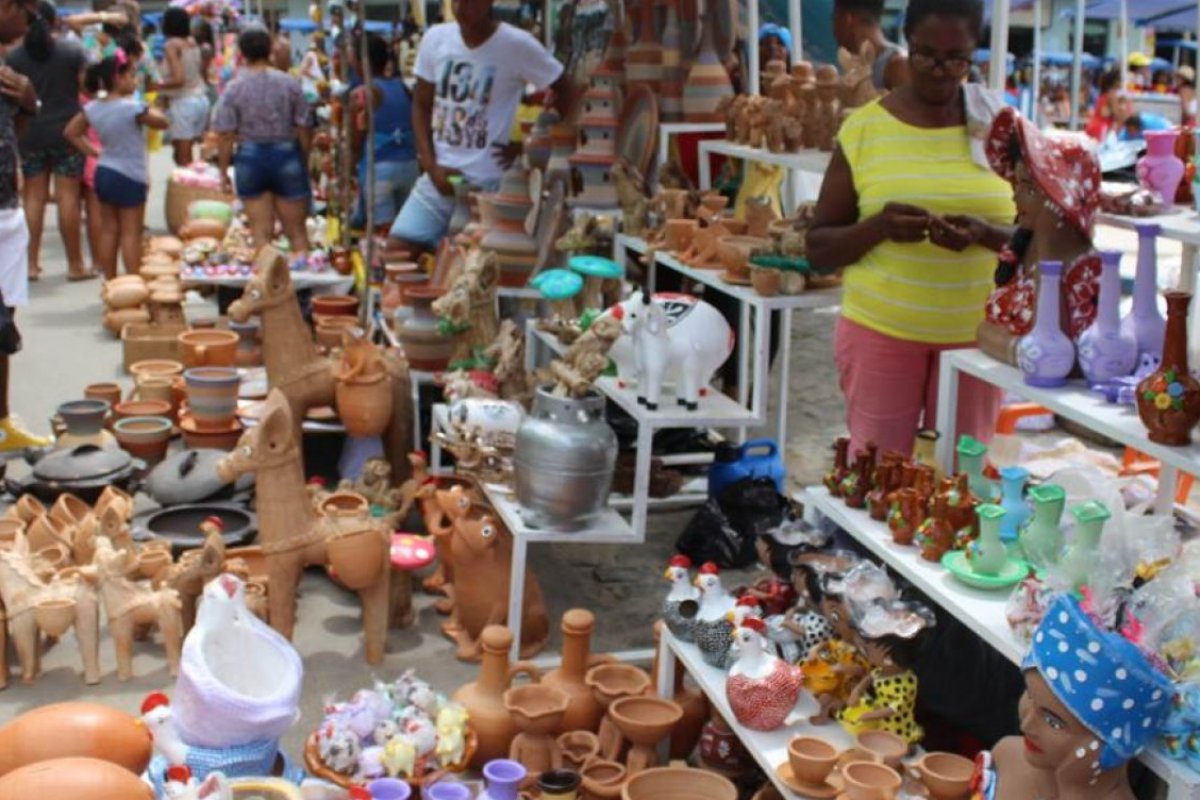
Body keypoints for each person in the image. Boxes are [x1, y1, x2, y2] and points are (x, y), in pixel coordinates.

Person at [806, 0, 1016, 458]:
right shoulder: (864, 131)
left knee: (959, 485)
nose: (939, 71)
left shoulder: (1002, 127)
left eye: (955, 59)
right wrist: (878, 228)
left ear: (974, 56)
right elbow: (818, 250)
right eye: (925, 55)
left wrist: (983, 233)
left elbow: (1037, 241)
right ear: (905, 46)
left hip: (976, 342)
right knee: (879, 475)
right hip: (881, 334)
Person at [388, 0, 571, 255]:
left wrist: (530, 147)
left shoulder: (517, 45)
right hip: (438, 181)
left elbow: (567, 90)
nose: (463, 6)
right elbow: (420, 106)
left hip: (490, 188)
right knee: (397, 251)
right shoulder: (435, 39)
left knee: (472, 268)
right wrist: (430, 166)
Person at [0, 0, 54, 453]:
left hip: (5, 207)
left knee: (3, 323)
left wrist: (28, 103)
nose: (29, 26)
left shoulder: (6, 68)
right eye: (29, 14)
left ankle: (1, 423)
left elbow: (11, 133)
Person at [7, 0, 92, 282]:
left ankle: (30, 264)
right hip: (66, 131)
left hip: (30, 132)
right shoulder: (71, 52)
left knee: (34, 198)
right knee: (68, 197)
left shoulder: (15, 57)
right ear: (56, 21)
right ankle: (76, 264)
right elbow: (86, 88)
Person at [212, 26, 312, 259]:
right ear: (270, 50)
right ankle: (302, 283)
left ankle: (270, 287)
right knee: (297, 234)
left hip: (250, 158)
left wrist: (223, 171)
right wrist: (304, 159)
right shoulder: (289, 83)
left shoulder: (234, 88)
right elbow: (304, 126)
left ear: (242, 54)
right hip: (286, 155)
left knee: (260, 235)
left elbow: (225, 134)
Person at [65, 53, 168, 277]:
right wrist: (152, 107)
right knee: (131, 233)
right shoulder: (132, 107)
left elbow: (71, 133)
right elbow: (162, 123)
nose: (135, 80)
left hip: (105, 170)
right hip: (131, 174)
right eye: (131, 75)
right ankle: (133, 284)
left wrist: (93, 152)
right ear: (118, 78)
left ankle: (111, 283)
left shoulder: (93, 108)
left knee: (109, 230)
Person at [350, 33, 417, 232]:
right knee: (405, 233)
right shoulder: (403, 87)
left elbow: (356, 141)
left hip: (379, 169)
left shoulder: (362, 94)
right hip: (410, 166)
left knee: (382, 237)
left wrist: (350, 170)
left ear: (362, 61)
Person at [156, 6, 209, 167]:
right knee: (188, 155)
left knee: (184, 160)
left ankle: (189, 190)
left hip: (184, 102)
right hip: (201, 99)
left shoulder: (172, 45)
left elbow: (179, 79)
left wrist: (155, 85)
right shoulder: (192, 42)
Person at [831, 0, 908, 90]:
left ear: (848, 20)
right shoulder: (852, 64)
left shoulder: (898, 68)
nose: (833, 28)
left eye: (834, 19)